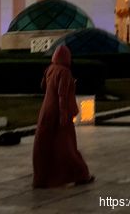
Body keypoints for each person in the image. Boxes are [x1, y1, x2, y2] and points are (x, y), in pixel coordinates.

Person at [33, 45, 95, 187]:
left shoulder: (50, 69)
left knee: (44, 145)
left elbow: (43, 86)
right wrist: (63, 115)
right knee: (67, 146)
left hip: (46, 112)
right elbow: (62, 95)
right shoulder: (65, 72)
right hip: (59, 113)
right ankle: (81, 174)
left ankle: (41, 178)